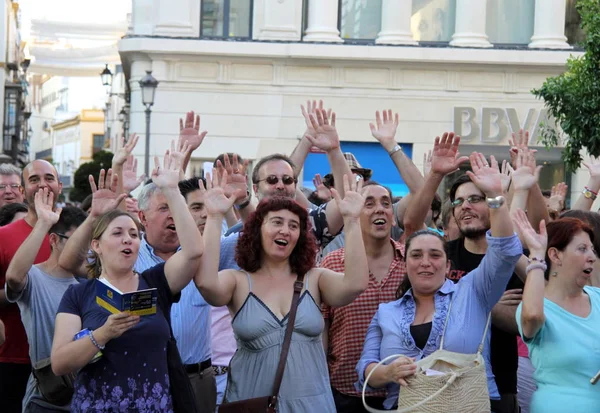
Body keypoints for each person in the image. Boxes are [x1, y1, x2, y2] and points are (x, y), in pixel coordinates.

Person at [356, 152, 522, 411]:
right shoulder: (386, 312)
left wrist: (496, 199)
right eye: (416, 255)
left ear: (447, 265)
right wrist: (387, 373)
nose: (425, 262)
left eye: (435, 255)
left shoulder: (472, 292)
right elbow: (366, 368)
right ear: (404, 263)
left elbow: (506, 252)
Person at [195, 173, 369, 413]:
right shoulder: (238, 280)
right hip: (253, 403)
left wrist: (352, 220)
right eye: (277, 222)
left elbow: (356, 284)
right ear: (257, 230)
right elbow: (206, 284)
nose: (286, 230)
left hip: (313, 405)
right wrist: (214, 217)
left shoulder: (315, 278)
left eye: (294, 225)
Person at [51, 153, 203, 412]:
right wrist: (103, 334)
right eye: (118, 233)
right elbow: (60, 363)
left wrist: (171, 190)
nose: (128, 239)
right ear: (97, 245)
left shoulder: (156, 281)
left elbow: (193, 252)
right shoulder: (79, 294)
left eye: (134, 234)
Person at [321, 182, 405, 412]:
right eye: (369, 203)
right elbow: (322, 328)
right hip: (346, 393)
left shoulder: (412, 262)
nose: (379, 209)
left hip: (404, 391)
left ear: (393, 217)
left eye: (386, 204)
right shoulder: (332, 263)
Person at [514, 213, 600, 413]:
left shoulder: (597, 297)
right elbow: (532, 317)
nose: (592, 257)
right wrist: (536, 255)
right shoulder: (535, 308)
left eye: (593, 250)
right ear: (555, 255)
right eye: (582, 249)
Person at [5, 200, 87, 412]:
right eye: (76, 240)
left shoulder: (89, 282)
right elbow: (14, 278)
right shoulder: (34, 277)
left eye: (88, 241)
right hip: (48, 399)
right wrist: (43, 222)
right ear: (54, 240)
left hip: (88, 397)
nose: (84, 249)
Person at [0, 159, 62, 413]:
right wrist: (23, 293)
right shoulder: (3, 235)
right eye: (34, 180)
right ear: (23, 191)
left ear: (59, 185)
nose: (42, 184)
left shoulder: (77, 233)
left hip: (65, 360)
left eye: (48, 178)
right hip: (12, 360)